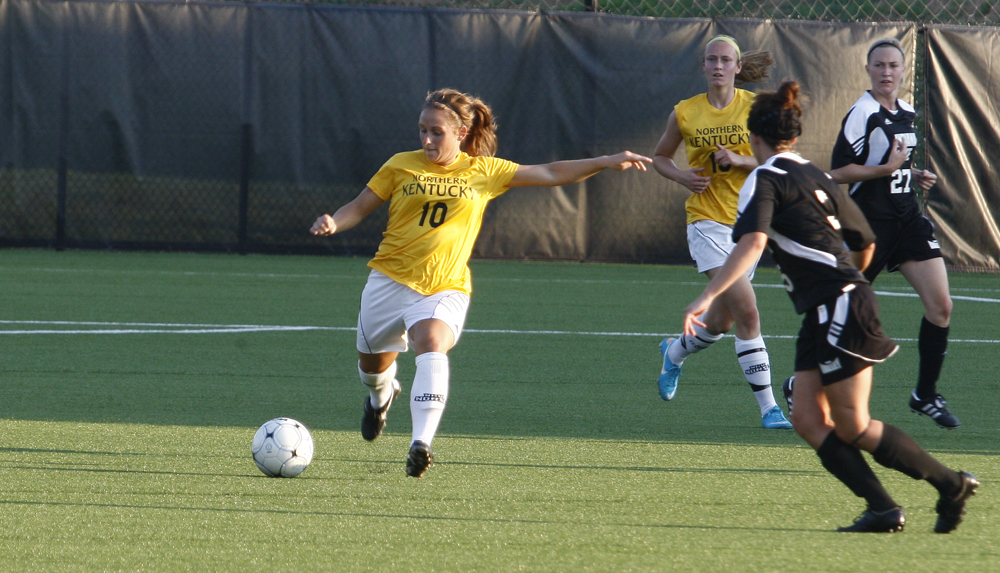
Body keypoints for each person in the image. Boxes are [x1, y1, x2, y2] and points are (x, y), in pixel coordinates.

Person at [682, 80, 978, 533]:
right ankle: (883, 507)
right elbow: (863, 239)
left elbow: (753, 242)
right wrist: (849, 282)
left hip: (838, 308)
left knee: (854, 425)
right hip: (830, 308)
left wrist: (706, 295)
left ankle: (947, 485)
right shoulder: (813, 172)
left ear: (753, 139)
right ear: (794, 138)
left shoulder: (763, 178)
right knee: (805, 417)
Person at [310, 88, 651, 478]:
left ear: (461, 132)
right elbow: (358, 206)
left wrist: (606, 161)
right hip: (388, 280)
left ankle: (421, 443)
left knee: (431, 342)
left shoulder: (483, 172)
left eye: (436, 132)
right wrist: (335, 221)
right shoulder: (400, 165)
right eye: (422, 130)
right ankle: (381, 396)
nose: (426, 140)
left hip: (445, 285)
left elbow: (552, 172)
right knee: (370, 369)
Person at [652, 35, 791, 429]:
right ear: (703, 66)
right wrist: (681, 176)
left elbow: (779, 157)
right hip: (706, 221)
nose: (717, 65)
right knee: (748, 311)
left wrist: (740, 158)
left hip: (748, 223)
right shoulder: (685, 112)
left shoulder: (754, 109)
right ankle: (769, 408)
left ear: (737, 67)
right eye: (711, 59)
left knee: (721, 322)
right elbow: (660, 157)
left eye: (725, 59)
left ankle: (674, 353)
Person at [826, 37, 958, 429]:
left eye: (893, 66)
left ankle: (925, 394)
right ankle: (804, 384)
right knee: (844, 311)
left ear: (904, 71)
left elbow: (894, 163)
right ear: (868, 70)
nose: (886, 72)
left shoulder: (907, 111)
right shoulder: (861, 113)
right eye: (879, 66)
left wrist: (912, 174)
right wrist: (885, 170)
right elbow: (837, 172)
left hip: (908, 221)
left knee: (941, 307)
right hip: (869, 225)